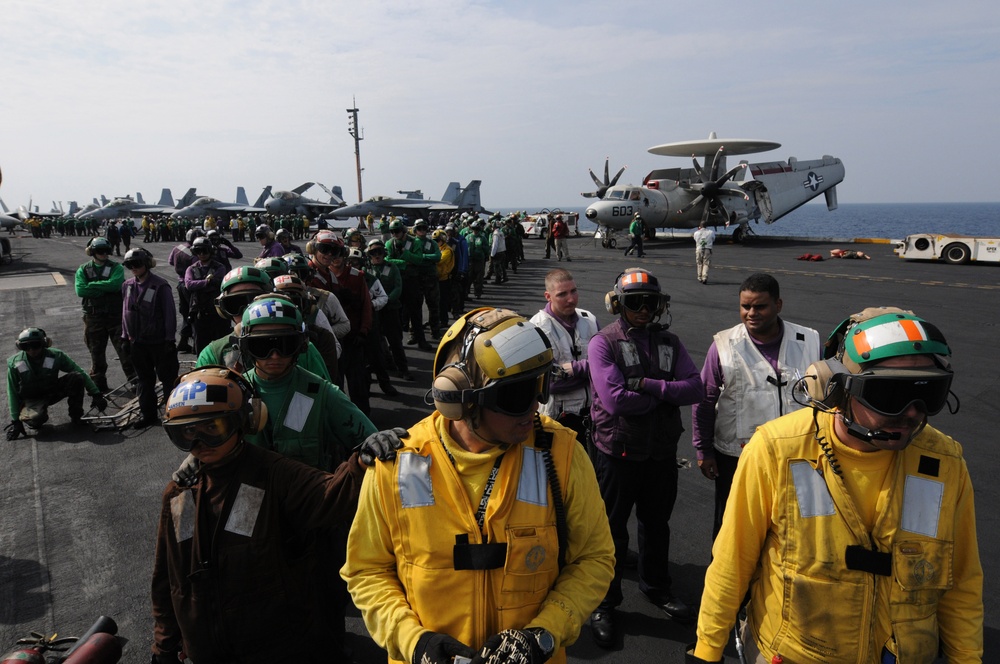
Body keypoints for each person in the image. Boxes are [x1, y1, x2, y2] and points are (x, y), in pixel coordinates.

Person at [690, 307, 983, 663]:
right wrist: (707, 650)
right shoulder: (778, 450)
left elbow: (961, 581)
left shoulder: (943, 463)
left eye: (928, 394)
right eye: (890, 396)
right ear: (836, 388)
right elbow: (731, 563)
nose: (912, 413)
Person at [342, 307, 615, 664]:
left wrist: (544, 635)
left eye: (540, 385)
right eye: (517, 395)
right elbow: (367, 570)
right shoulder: (397, 463)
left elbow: (594, 558)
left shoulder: (562, 454)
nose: (536, 406)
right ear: (462, 399)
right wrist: (414, 643)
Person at [150, 365, 398, 664]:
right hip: (206, 651)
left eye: (213, 428)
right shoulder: (180, 495)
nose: (200, 444)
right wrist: (164, 646)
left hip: (276, 649)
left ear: (245, 421)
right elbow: (169, 576)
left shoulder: (273, 474)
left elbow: (330, 495)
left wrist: (360, 464)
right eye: (187, 432)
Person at [587, 268, 704, 647]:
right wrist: (667, 395)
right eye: (634, 302)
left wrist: (650, 386)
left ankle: (656, 586)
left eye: (649, 302)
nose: (642, 309)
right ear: (617, 303)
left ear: (659, 305)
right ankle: (604, 602)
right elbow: (614, 400)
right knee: (611, 530)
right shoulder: (602, 343)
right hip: (617, 453)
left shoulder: (670, 341)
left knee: (657, 524)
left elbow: (696, 388)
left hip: (660, 453)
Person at [691, 273, 819, 539]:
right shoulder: (723, 345)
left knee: (795, 528)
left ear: (778, 305)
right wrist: (703, 449)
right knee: (733, 530)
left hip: (797, 455)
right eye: (745, 306)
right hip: (737, 458)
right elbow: (704, 401)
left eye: (760, 306)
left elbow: (828, 400)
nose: (751, 313)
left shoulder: (810, 341)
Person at [529, 268, 599, 441]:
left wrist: (577, 369)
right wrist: (593, 373)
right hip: (557, 419)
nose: (571, 299)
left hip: (593, 415)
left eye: (574, 291)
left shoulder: (589, 319)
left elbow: (608, 365)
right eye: (562, 294)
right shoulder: (536, 328)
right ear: (548, 296)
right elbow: (549, 384)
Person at [6, 328, 107, 439]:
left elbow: (80, 372)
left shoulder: (56, 356)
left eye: (35, 345)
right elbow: (12, 391)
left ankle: (76, 415)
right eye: (26, 347)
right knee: (36, 420)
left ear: (44, 343)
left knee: (76, 377)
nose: (31, 350)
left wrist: (96, 393)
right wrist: (15, 421)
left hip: (51, 391)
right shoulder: (16, 363)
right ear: (20, 347)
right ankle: (32, 415)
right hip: (32, 398)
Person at [121, 247, 179, 429]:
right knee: (144, 381)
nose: (134, 268)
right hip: (137, 343)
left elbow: (170, 314)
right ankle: (149, 415)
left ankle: (174, 414)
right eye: (130, 265)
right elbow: (125, 312)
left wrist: (169, 340)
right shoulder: (128, 285)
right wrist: (124, 337)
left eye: (137, 264)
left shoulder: (160, 286)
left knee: (169, 380)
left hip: (159, 343)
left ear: (147, 264)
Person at [74, 237, 135, 393]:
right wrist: (104, 287)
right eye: (100, 251)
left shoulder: (116, 268)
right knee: (96, 353)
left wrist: (92, 286)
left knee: (125, 351)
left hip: (115, 316)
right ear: (92, 252)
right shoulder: (83, 269)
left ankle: (134, 380)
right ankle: (99, 384)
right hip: (93, 318)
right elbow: (81, 290)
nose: (104, 254)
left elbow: (115, 285)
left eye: (106, 251)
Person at [184, 237, 230, 354]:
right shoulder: (192, 269)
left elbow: (220, 282)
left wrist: (200, 284)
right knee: (200, 344)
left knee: (221, 345)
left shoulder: (219, 267)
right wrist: (207, 282)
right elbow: (189, 284)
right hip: (200, 311)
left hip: (217, 312)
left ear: (210, 251)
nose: (202, 254)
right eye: (199, 251)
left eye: (205, 251)